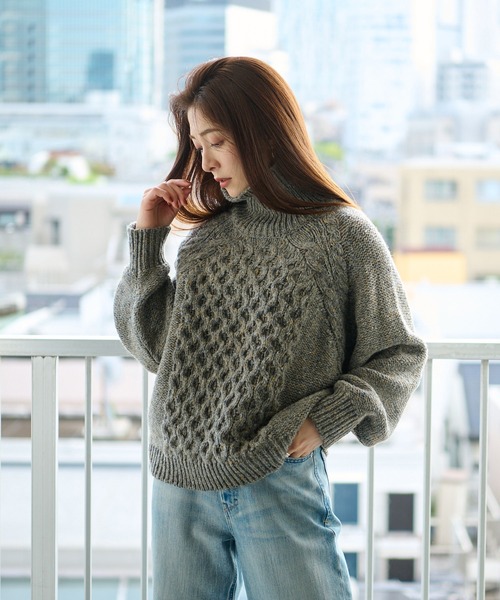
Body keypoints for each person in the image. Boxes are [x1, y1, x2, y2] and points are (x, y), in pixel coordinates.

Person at [113, 56, 427, 600]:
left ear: (263, 130)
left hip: (276, 476)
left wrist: (325, 420)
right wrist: (148, 244)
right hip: (179, 480)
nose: (206, 161)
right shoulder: (207, 240)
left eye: (217, 141)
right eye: (198, 145)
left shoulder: (342, 235)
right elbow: (157, 350)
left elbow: (398, 351)